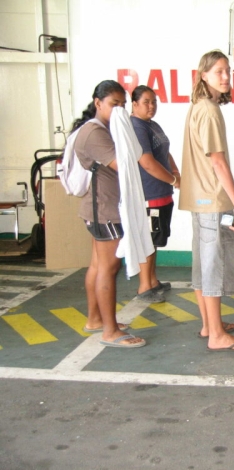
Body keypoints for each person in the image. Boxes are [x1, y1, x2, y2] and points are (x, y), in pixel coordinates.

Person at [178, 50, 234, 351]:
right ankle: (217, 337)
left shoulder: (198, 106)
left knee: (202, 264)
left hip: (200, 201)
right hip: (212, 199)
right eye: (219, 71)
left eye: (228, 71)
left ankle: (210, 326)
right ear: (204, 75)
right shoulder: (209, 110)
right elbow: (218, 163)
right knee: (213, 266)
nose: (225, 77)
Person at [72, 80, 145, 348]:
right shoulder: (95, 133)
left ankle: (95, 320)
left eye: (123, 105)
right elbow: (122, 164)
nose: (120, 110)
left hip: (100, 207)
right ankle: (110, 331)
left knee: (97, 266)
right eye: (115, 104)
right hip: (104, 210)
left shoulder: (103, 128)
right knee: (108, 268)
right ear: (98, 103)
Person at [130, 85, 181, 303]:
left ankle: (152, 281)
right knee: (148, 241)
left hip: (162, 193)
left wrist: (175, 172)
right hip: (149, 193)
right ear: (134, 104)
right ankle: (144, 287)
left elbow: (164, 152)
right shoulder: (137, 127)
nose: (151, 106)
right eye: (146, 102)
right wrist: (173, 180)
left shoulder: (152, 125)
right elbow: (147, 162)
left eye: (154, 102)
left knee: (155, 240)